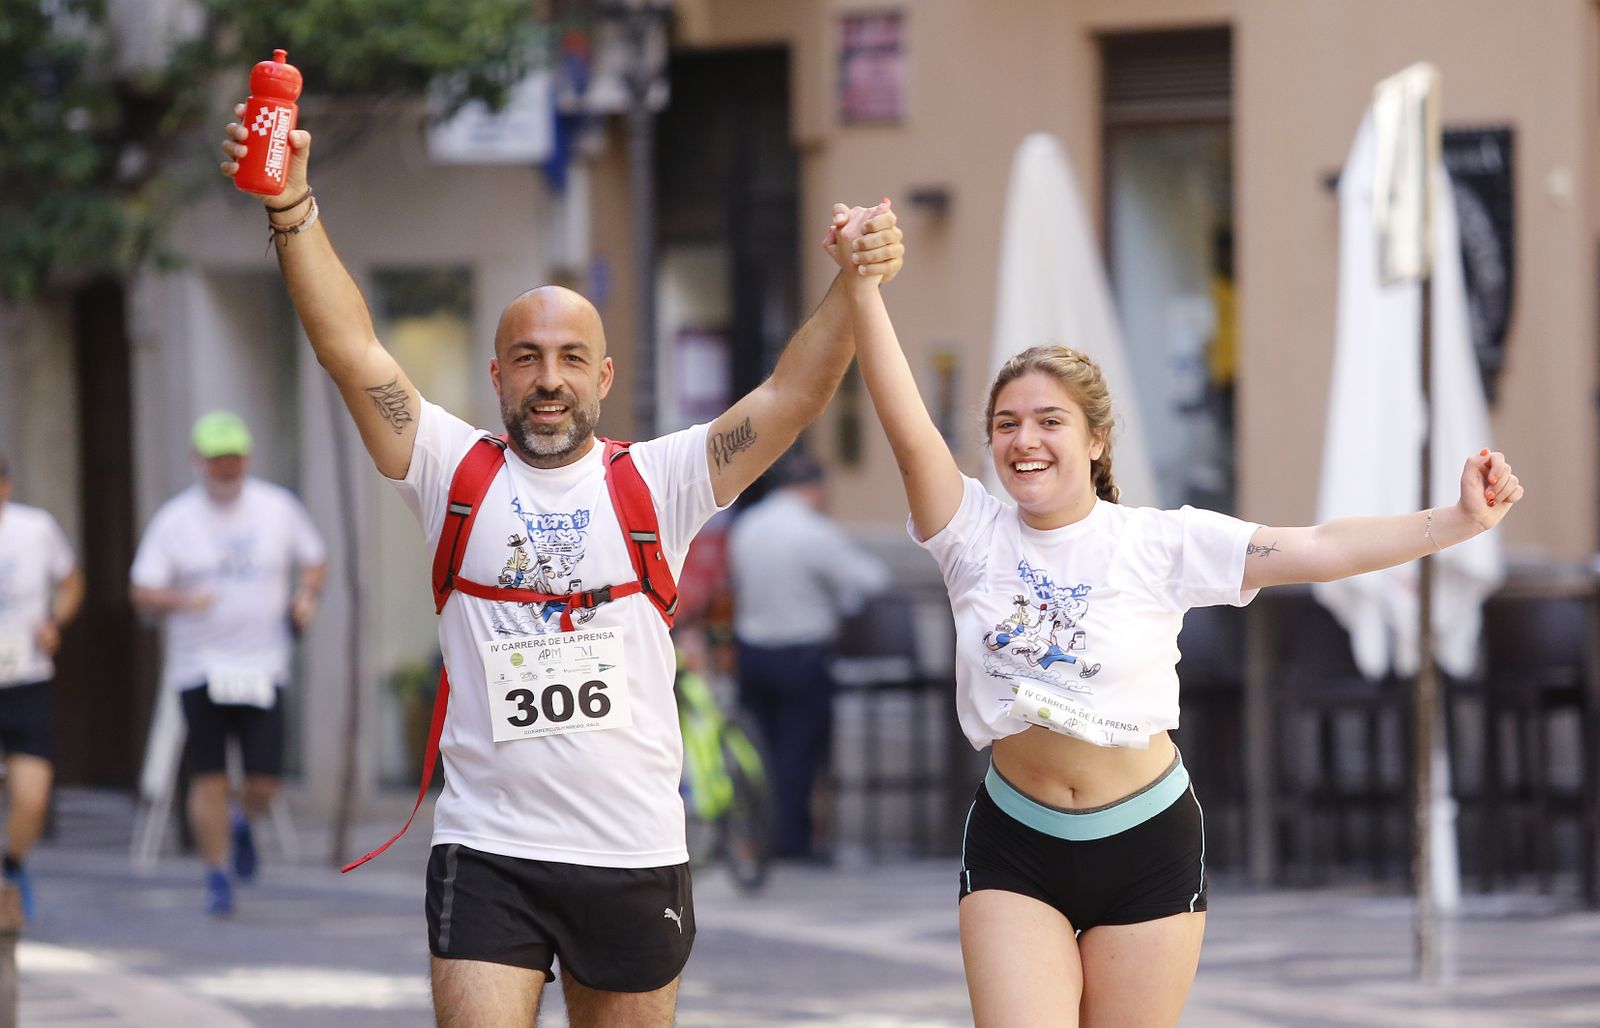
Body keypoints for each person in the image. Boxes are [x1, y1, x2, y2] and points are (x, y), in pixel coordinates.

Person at [220, 109, 904, 1027]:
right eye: (529, 359)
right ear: (497, 376)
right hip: (488, 846)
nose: (550, 379)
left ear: (605, 377)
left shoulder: (659, 481)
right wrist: (291, 202)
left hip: (631, 849)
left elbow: (791, 395)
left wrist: (851, 280)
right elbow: (351, 350)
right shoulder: (448, 468)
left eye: (571, 359)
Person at [824, 203, 1524, 1026]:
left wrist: (1459, 521)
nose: (1026, 441)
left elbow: (1321, 547)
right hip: (1016, 840)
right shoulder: (969, 534)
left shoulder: (1160, 544)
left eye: (1051, 422)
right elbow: (907, 430)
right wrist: (861, 284)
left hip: (1146, 841)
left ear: (1095, 442)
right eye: (1007, 424)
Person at [130, 411, 327, 917]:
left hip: (264, 666)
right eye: (217, 459)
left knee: (265, 781)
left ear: (247, 457)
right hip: (200, 667)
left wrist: (306, 596)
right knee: (209, 776)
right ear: (199, 461)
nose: (226, 467)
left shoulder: (277, 507)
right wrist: (179, 600)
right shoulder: (176, 520)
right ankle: (216, 872)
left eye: (234, 457)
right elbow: (142, 589)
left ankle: (243, 820)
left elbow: (314, 559)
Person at [728, 451, 890, 860]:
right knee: (797, 752)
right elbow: (871, 580)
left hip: (751, 651)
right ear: (814, 488)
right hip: (799, 655)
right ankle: (790, 842)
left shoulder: (747, 525)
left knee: (757, 750)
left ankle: (758, 835)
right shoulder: (813, 532)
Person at [0, 453, 84, 920]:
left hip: (27, 677)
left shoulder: (36, 530)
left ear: (6, 487)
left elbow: (71, 584)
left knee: (32, 794)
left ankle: (13, 862)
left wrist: (55, 622)